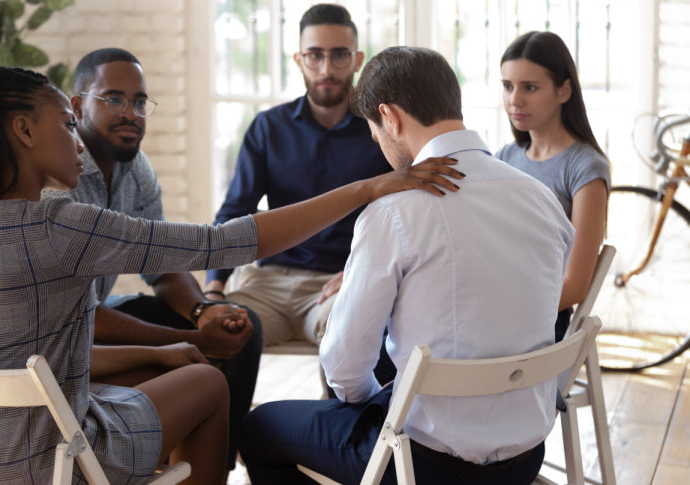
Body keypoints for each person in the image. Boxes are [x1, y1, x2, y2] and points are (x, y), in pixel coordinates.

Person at [0, 47, 460, 484]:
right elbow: (222, 242)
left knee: (177, 365)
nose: (76, 140)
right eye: (66, 124)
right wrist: (369, 188)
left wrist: (166, 349)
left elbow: (35, 361)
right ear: (25, 131)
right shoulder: (58, 224)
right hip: (55, 459)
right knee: (210, 385)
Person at [238, 46, 575, 485]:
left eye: (374, 130)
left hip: (423, 465)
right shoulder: (541, 199)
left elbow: (343, 369)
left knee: (257, 429)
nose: (377, 142)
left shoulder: (394, 212)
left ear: (390, 117)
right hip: (526, 456)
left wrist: (374, 402)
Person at [42, 47, 261, 471]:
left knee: (241, 327)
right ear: (77, 105)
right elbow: (82, 314)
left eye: (139, 102)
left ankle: (207, 466)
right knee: (200, 355)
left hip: (98, 316)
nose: (131, 112)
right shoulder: (58, 179)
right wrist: (195, 341)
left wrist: (203, 313)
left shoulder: (135, 168)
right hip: (70, 334)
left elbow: (161, 267)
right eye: (114, 99)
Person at [204, 3, 393, 347]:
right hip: (267, 284)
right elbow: (235, 209)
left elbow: (404, 215)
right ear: (298, 60)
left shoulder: (380, 132)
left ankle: (340, 405)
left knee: (351, 333)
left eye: (339, 55)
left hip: (341, 281)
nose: (326, 68)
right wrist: (214, 287)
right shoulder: (268, 127)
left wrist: (367, 272)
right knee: (219, 335)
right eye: (315, 55)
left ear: (357, 59)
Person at [496, 31, 610, 341]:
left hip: (539, 320)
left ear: (564, 91)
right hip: (491, 303)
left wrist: (500, 308)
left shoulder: (585, 167)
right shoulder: (504, 157)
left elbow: (574, 284)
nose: (514, 100)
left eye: (529, 88)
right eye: (508, 86)